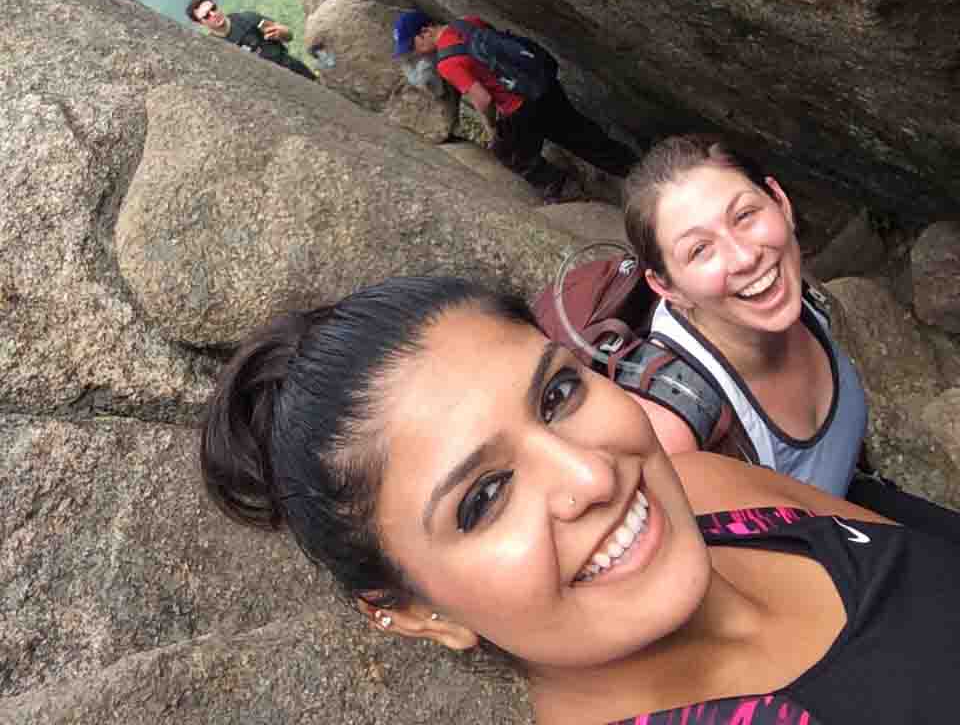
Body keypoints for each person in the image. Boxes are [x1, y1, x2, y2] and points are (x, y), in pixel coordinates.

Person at [201, 276, 960, 725]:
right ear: (417, 611)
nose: (593, 478)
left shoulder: (707, 489)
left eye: (558, 395)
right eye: (483, 498)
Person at [622, 132, 960, 539]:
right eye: (700, 250)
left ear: (780, 202)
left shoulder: (792, 288)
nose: (745, 257)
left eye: (744, 215)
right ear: (667, 287)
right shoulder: (673, 427)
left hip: (850, 504)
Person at [392, 10, 636, 202]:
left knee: (507, 152)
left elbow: (483, 99)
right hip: (541, 84)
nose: (415, 54)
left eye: (412, 46)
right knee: (580, 133)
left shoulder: (447, 63)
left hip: (520, 106)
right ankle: (633, 167)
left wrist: (491, 127)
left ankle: (562, 188)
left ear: (425, 31)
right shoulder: (468, 21)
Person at [185, 0, 316, 82]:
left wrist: (282, 33)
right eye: (206, 16)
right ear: (200, 23)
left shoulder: (247, 18)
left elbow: (289, 36)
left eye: (213, 8)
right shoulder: (215, 47)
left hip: (293, 68)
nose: (213, 14)